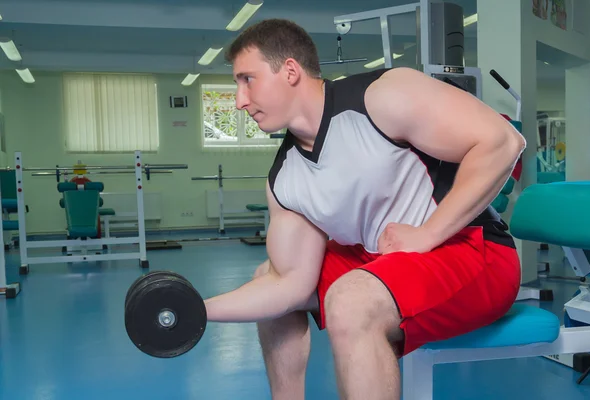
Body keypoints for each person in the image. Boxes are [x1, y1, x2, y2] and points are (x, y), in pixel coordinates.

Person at [203, 19, 525, 400]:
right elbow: (289, 285)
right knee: (266, 275)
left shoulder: (382, 97)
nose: (239, 101)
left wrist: (428, 233)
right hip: (384, 258)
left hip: (472, 250)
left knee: (351, 300)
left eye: (247, 79)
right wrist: (194, 308)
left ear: (289, 70)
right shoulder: (284, 179)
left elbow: (503, 141)